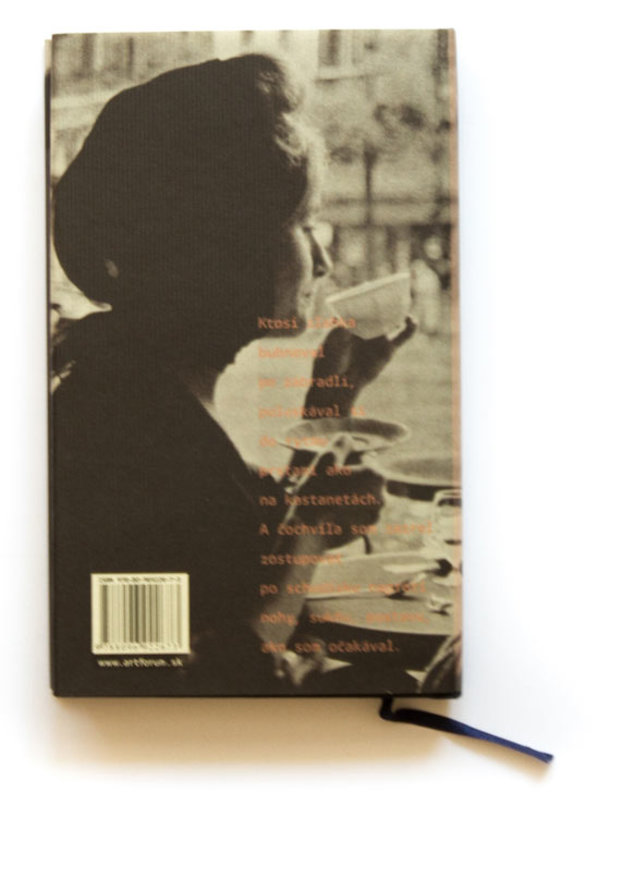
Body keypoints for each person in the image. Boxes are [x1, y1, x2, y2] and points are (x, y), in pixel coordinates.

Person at [50, 54, 411, 694]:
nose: (323, 260)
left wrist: (332, 403)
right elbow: (161, 672)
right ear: (222, 248)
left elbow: (226, 566)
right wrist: (308, 536)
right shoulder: (121, 433)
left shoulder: (135, 387)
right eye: (302, 225)